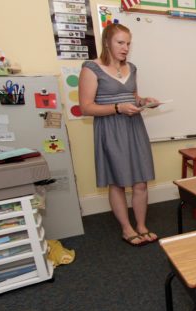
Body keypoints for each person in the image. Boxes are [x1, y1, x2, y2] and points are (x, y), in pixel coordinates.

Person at [79, 23, 160, 247]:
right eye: (120, 43)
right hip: (111, 128)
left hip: (134, 127)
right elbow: (85, 107)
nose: (125, 48)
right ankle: (127, 228)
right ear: (107, 42)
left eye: (128, 43)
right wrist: (117, 108)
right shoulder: (91, 68)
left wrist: (144, 102)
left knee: (141, 181)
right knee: (117, 182)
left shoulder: (131, 68)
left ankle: (141, 225)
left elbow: (134, 98)